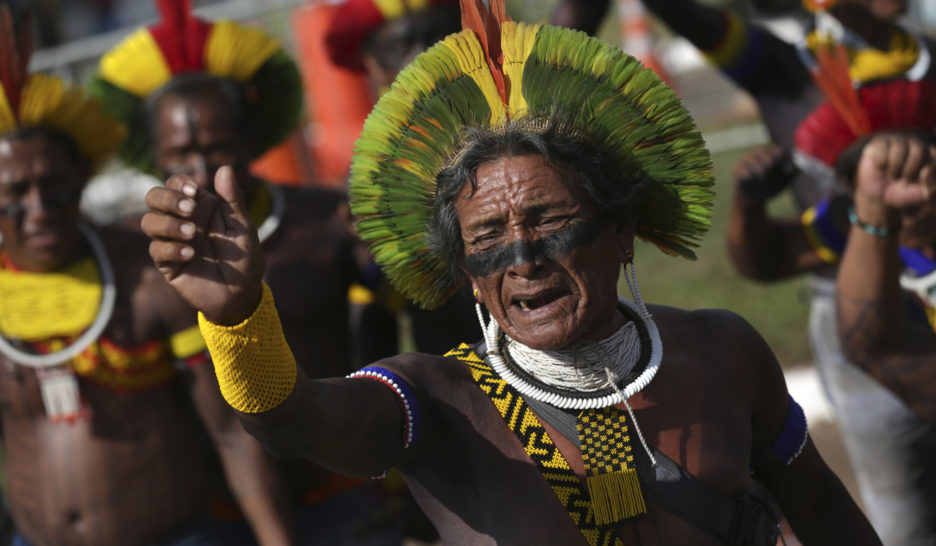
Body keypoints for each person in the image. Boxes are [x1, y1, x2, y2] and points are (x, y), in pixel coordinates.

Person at [142, 4, 879, 544]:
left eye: (551, 223)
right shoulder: (436, 404)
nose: (522, 259)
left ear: (622, 232)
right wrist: (240, 320)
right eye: (488, 236)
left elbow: (825, 515)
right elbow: (293, 420)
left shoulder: (723, 353)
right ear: (465, 270)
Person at [89, 1, 405, 543]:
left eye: (217, 150)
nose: (198, 172)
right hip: (221, 519)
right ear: (153, 155)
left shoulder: (326, 219)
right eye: (178, 155)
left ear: (252, 140)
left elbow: (391, 329)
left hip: (346, 494)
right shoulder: (134, 254)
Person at [0, 7, 292, 545]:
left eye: (54, 184)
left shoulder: (150, 274)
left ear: (83, 177)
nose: (38, 208)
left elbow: (230, 433)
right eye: (13, 194)